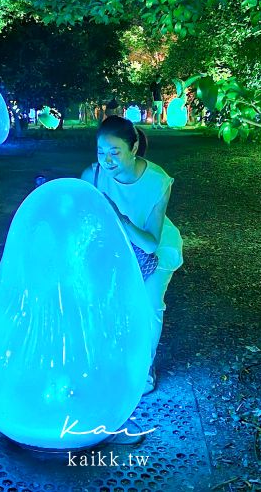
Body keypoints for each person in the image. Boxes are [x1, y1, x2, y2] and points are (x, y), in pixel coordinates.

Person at [80, 116, 183, 403]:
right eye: (101, 152)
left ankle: (143, 368)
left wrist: (119, 217)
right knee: (104, 297)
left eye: (115, 152)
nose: (107, 160)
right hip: (115, 247)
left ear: (134, 147)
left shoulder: (157, 181)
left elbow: (151, 242)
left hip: (156, 246)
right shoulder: (93, 176)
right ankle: (107, 359)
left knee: (149, 303)